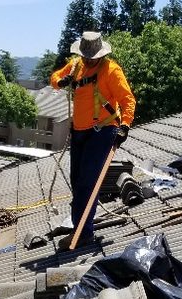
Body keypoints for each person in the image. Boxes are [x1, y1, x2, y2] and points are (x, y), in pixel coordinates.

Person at [51, 31, 136, 249]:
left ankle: (82, 233)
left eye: (92, 57)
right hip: (79, 132)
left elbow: (127, 100)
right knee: (77, 180)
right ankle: (80, 226)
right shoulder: (76, 66)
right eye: (86, 56)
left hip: (103, 131)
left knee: (86, 183)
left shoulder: (111, 71)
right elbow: (54, 78)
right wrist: (63, 82)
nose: (89, 60)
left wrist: (125, 126)